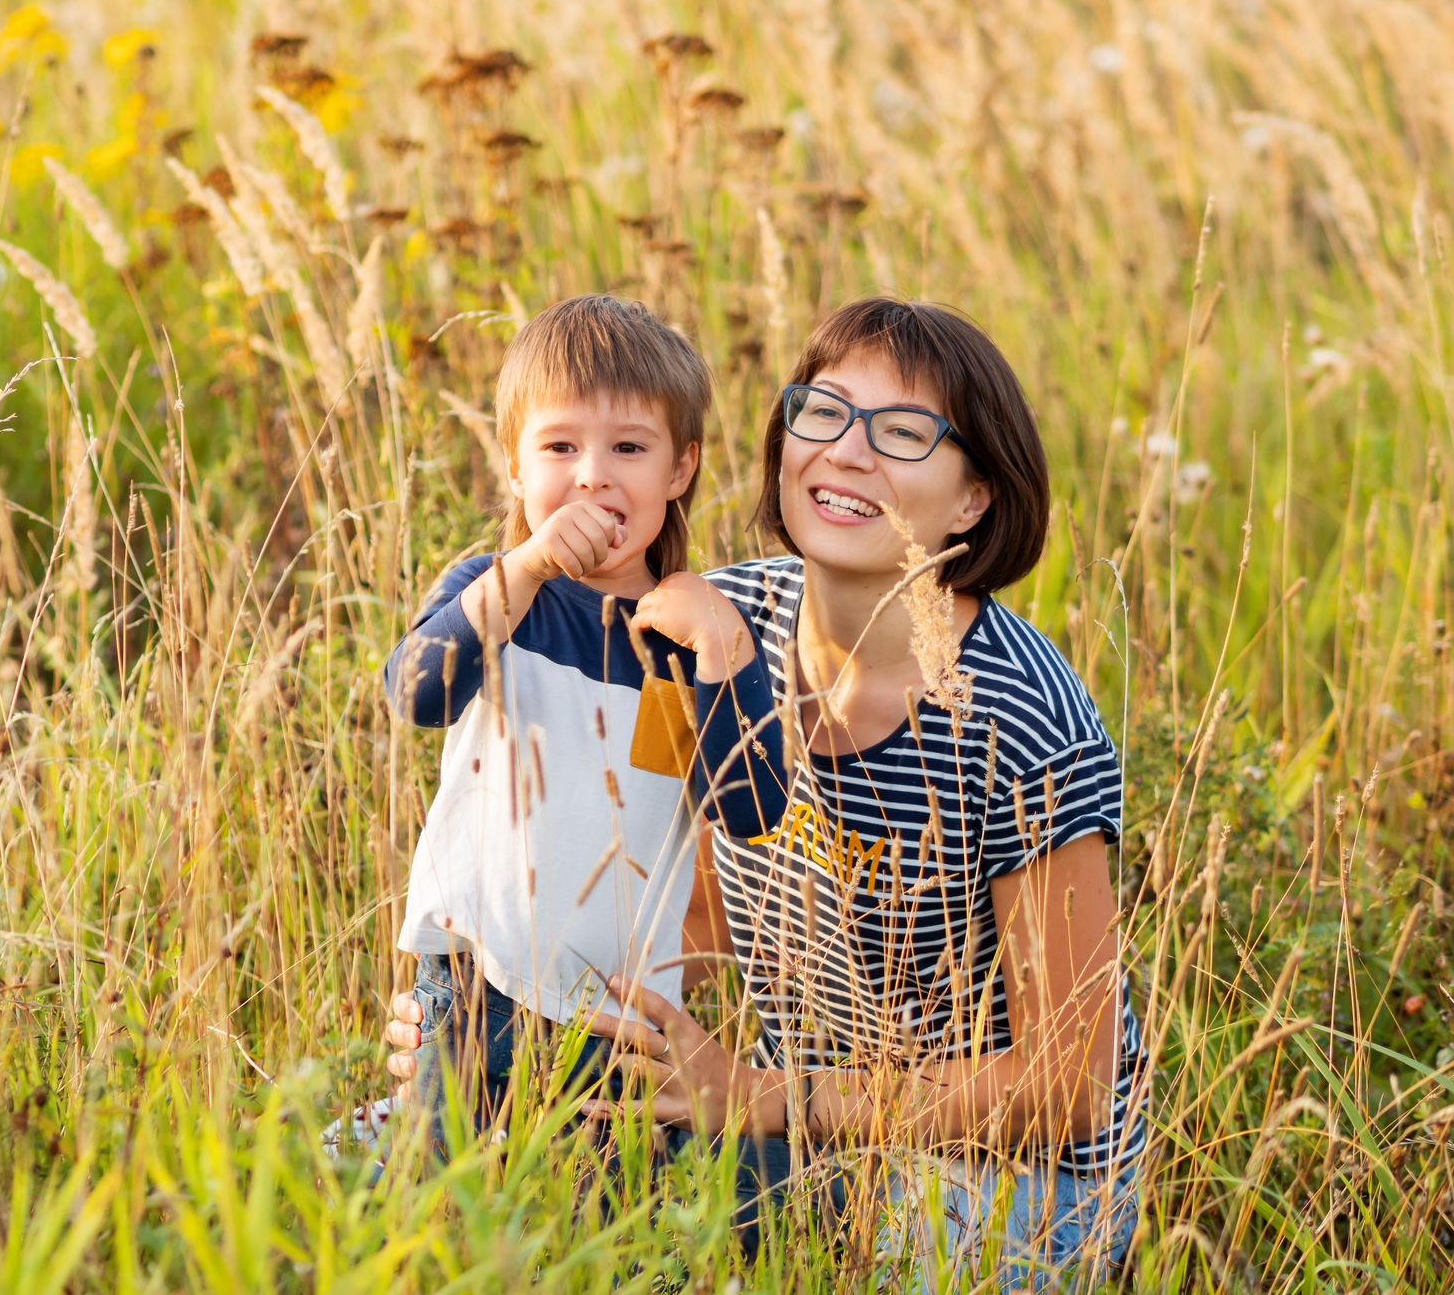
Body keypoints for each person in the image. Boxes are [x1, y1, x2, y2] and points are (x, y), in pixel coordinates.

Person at [383, 298, 1146, 1288]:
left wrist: (763, 1094)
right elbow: (685, 910)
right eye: (821, 414)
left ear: (971, 501)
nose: (846, 453)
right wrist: (495, 1025)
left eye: (904, 433)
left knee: (607, 1224)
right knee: (375, 1174)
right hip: (775, 1123)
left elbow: (1067, 1087)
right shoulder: (710, 620)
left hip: (1008, 1187)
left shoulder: (1016, 717)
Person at [381, 294, 790, 1153]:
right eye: (560, 447)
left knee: (592, 1206)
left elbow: (752, 810)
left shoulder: (688, 642)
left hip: (620, 1011)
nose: (593, 475)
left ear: (680, 470)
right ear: (517, 468)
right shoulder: (495, 593)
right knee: (440, 1189)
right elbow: (414, 691)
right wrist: (526, 566)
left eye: (629, 448)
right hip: (471, 979)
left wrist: (722, 650)